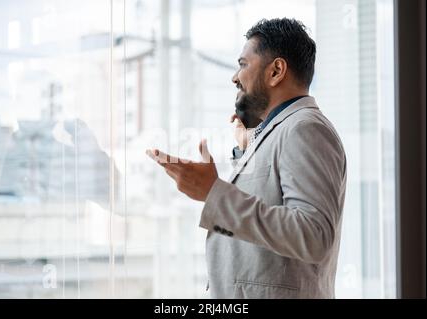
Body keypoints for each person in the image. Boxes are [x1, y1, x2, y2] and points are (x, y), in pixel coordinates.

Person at [146, 18, 347, 299]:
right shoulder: (284, 130)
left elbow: (312, 236)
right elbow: (267, 207)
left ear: (276, 70)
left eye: (243, 64)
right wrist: (248, 149)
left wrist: (213, 192)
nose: (234, 77)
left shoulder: (305, 129)